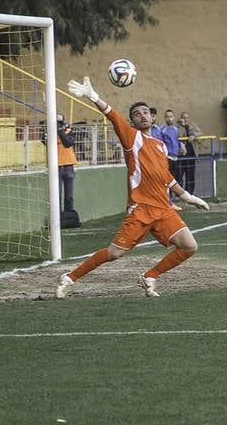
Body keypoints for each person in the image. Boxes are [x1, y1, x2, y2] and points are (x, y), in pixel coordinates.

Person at [58, 77, 210, 299]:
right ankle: (69, 278)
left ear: (152, 116)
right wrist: (93, 96)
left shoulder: (159, 144)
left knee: (189, 246)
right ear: (133, 122)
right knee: (114, 253)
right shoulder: (132, 138)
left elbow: (165, 177)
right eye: (137, 114)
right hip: (140, 209)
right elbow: (113, 115)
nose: (143, 115)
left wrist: (188, 197)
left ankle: (149, 276)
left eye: (146, 112)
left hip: (163, 209)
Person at [53, 114, 77, 212]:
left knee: (69, 196)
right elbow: (44, 141)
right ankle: (58, 216)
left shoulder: (69, 130)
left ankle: (69, 215)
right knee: (57, 195)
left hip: (68, 165)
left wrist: (60, 131)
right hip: (56, 166)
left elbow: (67, 143)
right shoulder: (49, 132)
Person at [175, 110, 202, 193]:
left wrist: (193, 135)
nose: (185, 119)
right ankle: (179, 192)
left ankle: (190, 192)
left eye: (186, 118)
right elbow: (177, 134)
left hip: (191, 154)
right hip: (181, 154)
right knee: (179, 174)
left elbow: (200, 132)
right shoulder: (177, 127)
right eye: (183, 117)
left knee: (190, 174)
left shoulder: (192, 126)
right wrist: (182, 125)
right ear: (180, 118)